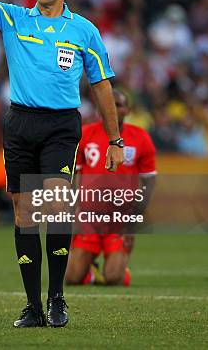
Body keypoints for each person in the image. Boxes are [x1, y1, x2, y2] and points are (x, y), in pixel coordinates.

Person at [0, 0, 124, 328]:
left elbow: (101, 86)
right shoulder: (14, 18)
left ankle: (57, 299)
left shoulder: (84, 30)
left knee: (57, 206)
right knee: (25, 214)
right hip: (19, 123)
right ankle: (33, 306)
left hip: (61, 127)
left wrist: (115, 140)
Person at [66, 90, 156, 286]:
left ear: (127, 109)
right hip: (88, 217)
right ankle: (90, 270)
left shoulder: (141, 138)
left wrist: (132, 220)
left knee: (113, 278)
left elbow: (149, 183)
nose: (113, 109)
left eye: (118, 105)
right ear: (99, 108)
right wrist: (73, 214)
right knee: (71, 278)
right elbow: (73, 179)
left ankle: (119, 269)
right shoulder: (85, 134)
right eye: (108, 104)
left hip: (120, 218)